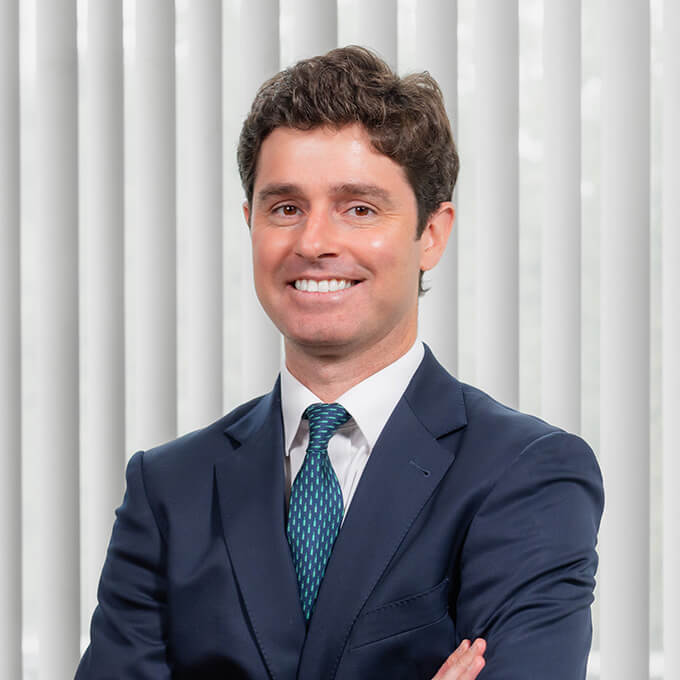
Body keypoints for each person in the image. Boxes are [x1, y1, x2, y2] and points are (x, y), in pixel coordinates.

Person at [76, 46, 603, 680]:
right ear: (250, 224)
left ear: (432, 233)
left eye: (359, 208)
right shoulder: (168, 489)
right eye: (286, 208)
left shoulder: (527, 474)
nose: (314, 241)